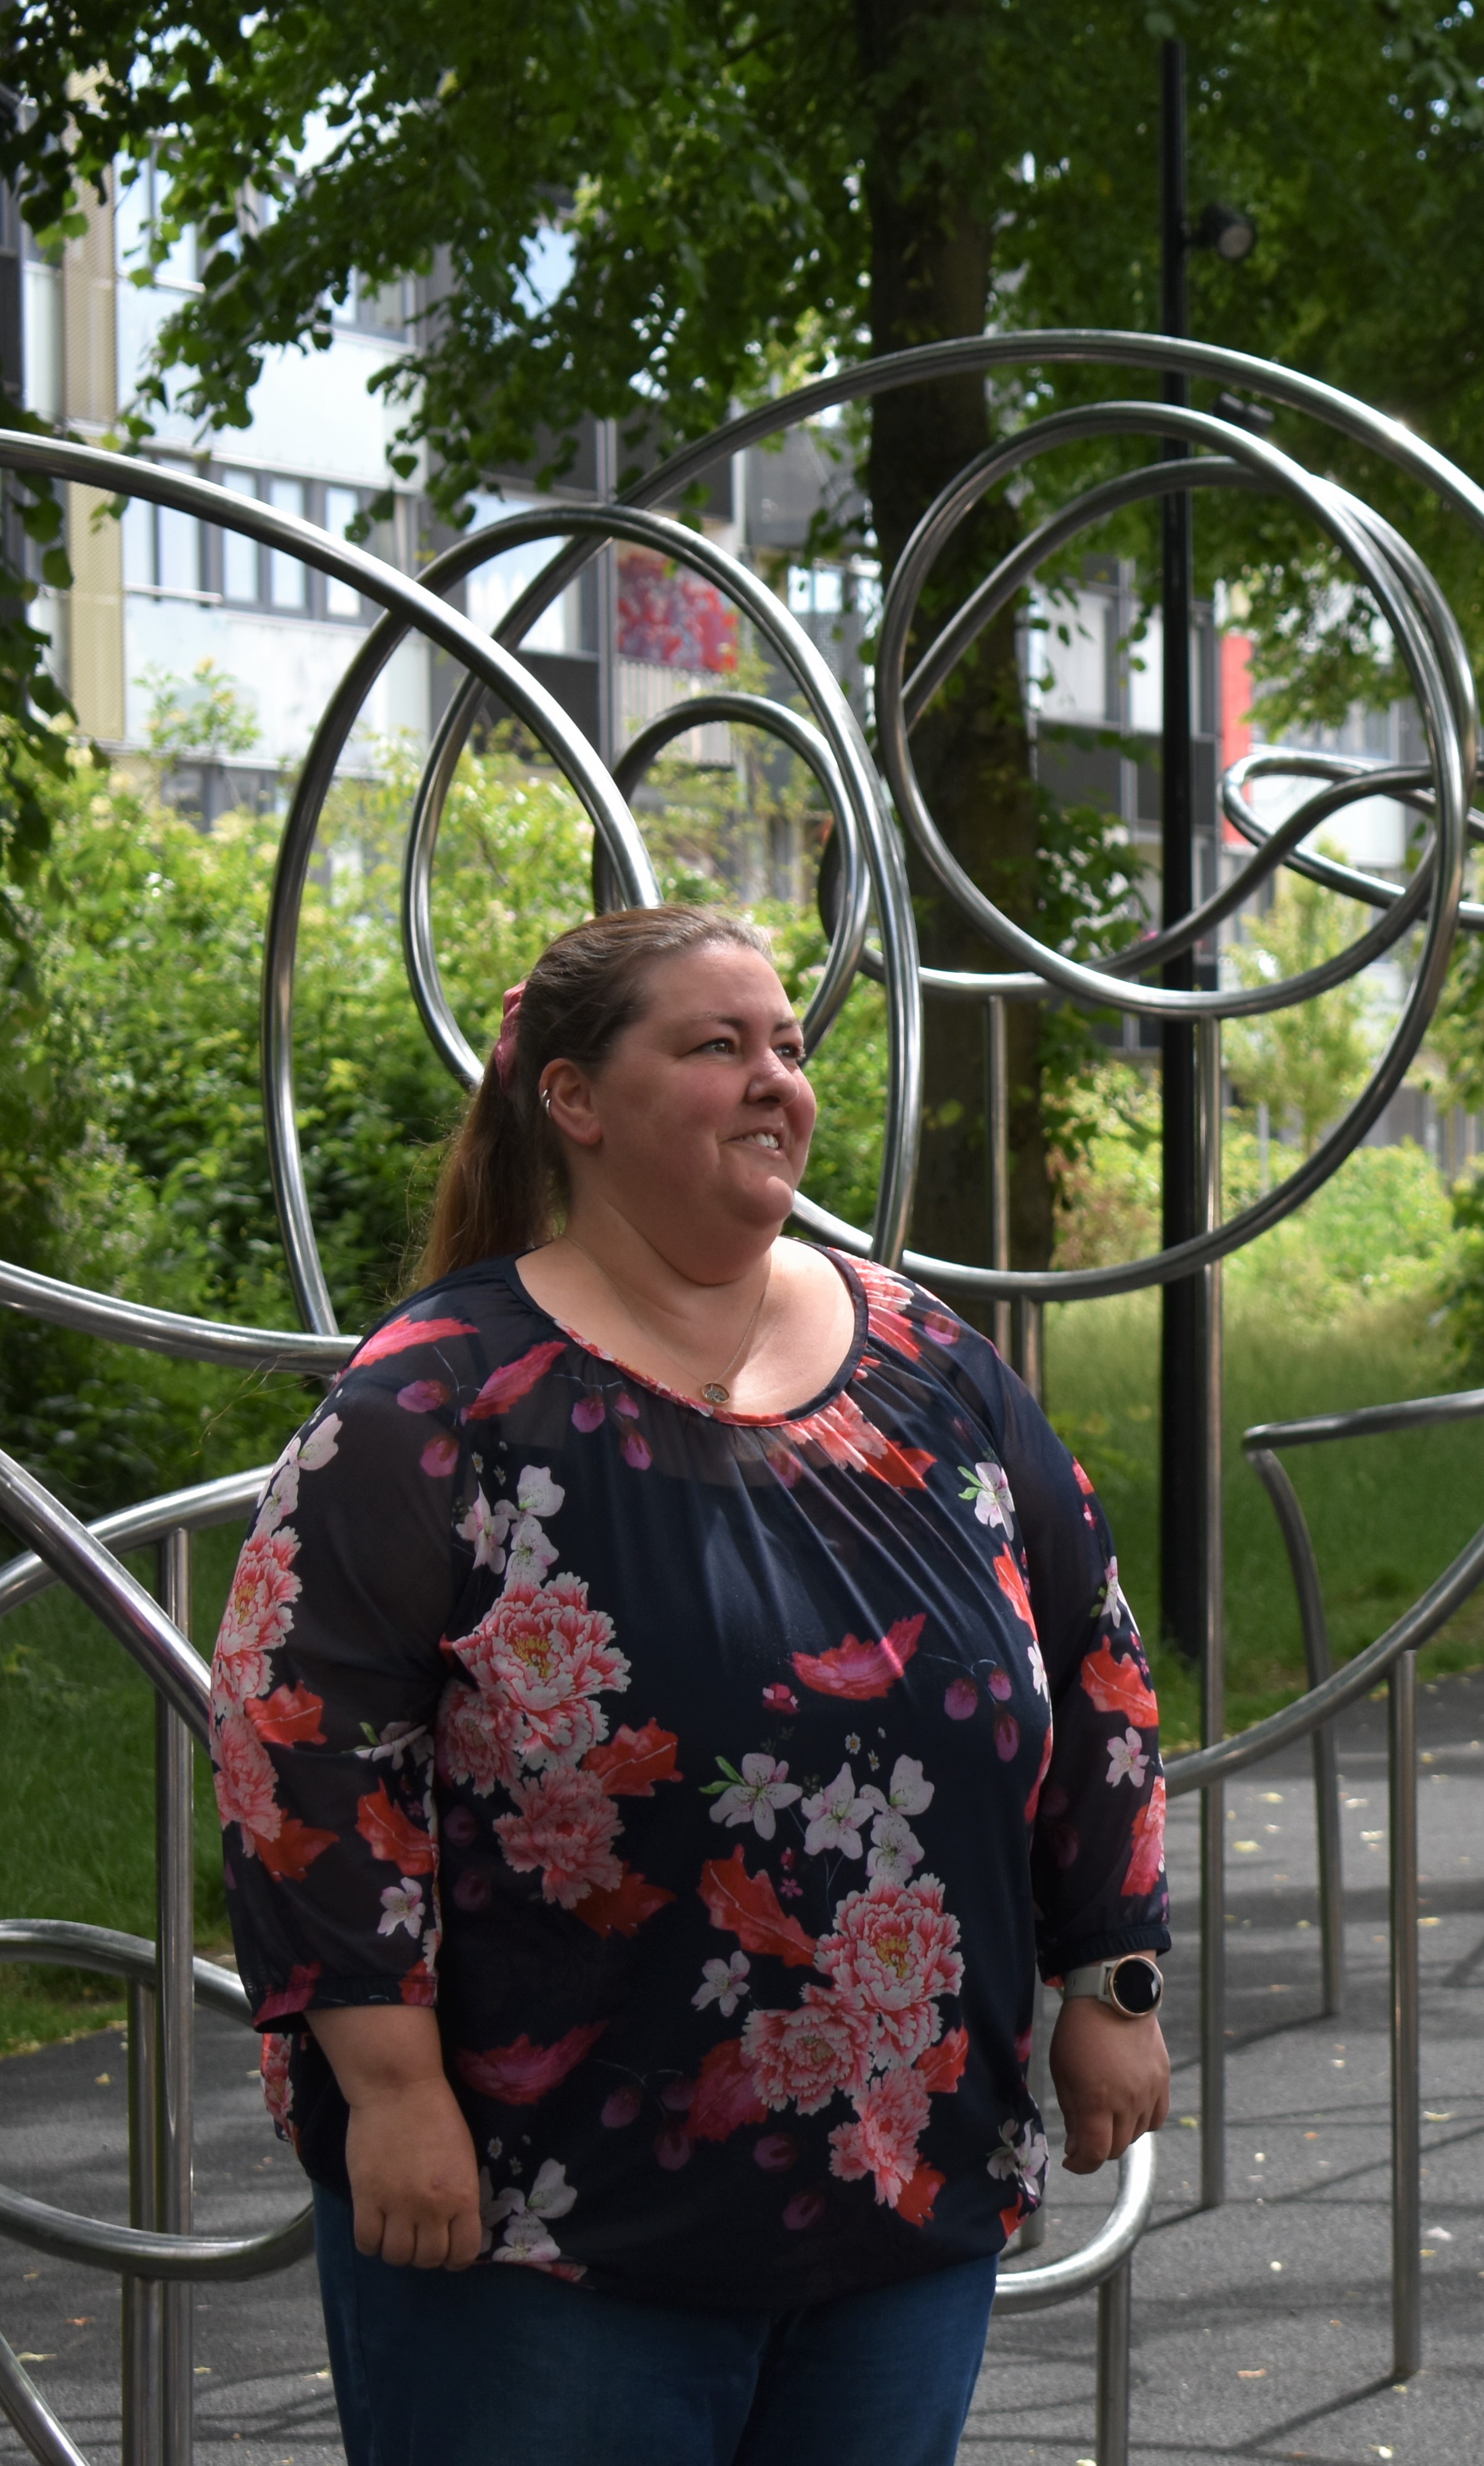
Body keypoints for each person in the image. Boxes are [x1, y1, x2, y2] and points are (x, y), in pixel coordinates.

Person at [209, 906, 1173, 2466]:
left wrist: (1111, 1976)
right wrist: (387, 2087)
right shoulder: (432, 1402)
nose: (772, 1078)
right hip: (542, 2223)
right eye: (715, 1045)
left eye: (786, 1044)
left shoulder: (932, 1360)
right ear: (576, 1099)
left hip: (901, 2187)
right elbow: (296, 1742)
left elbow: (1096, 1666)